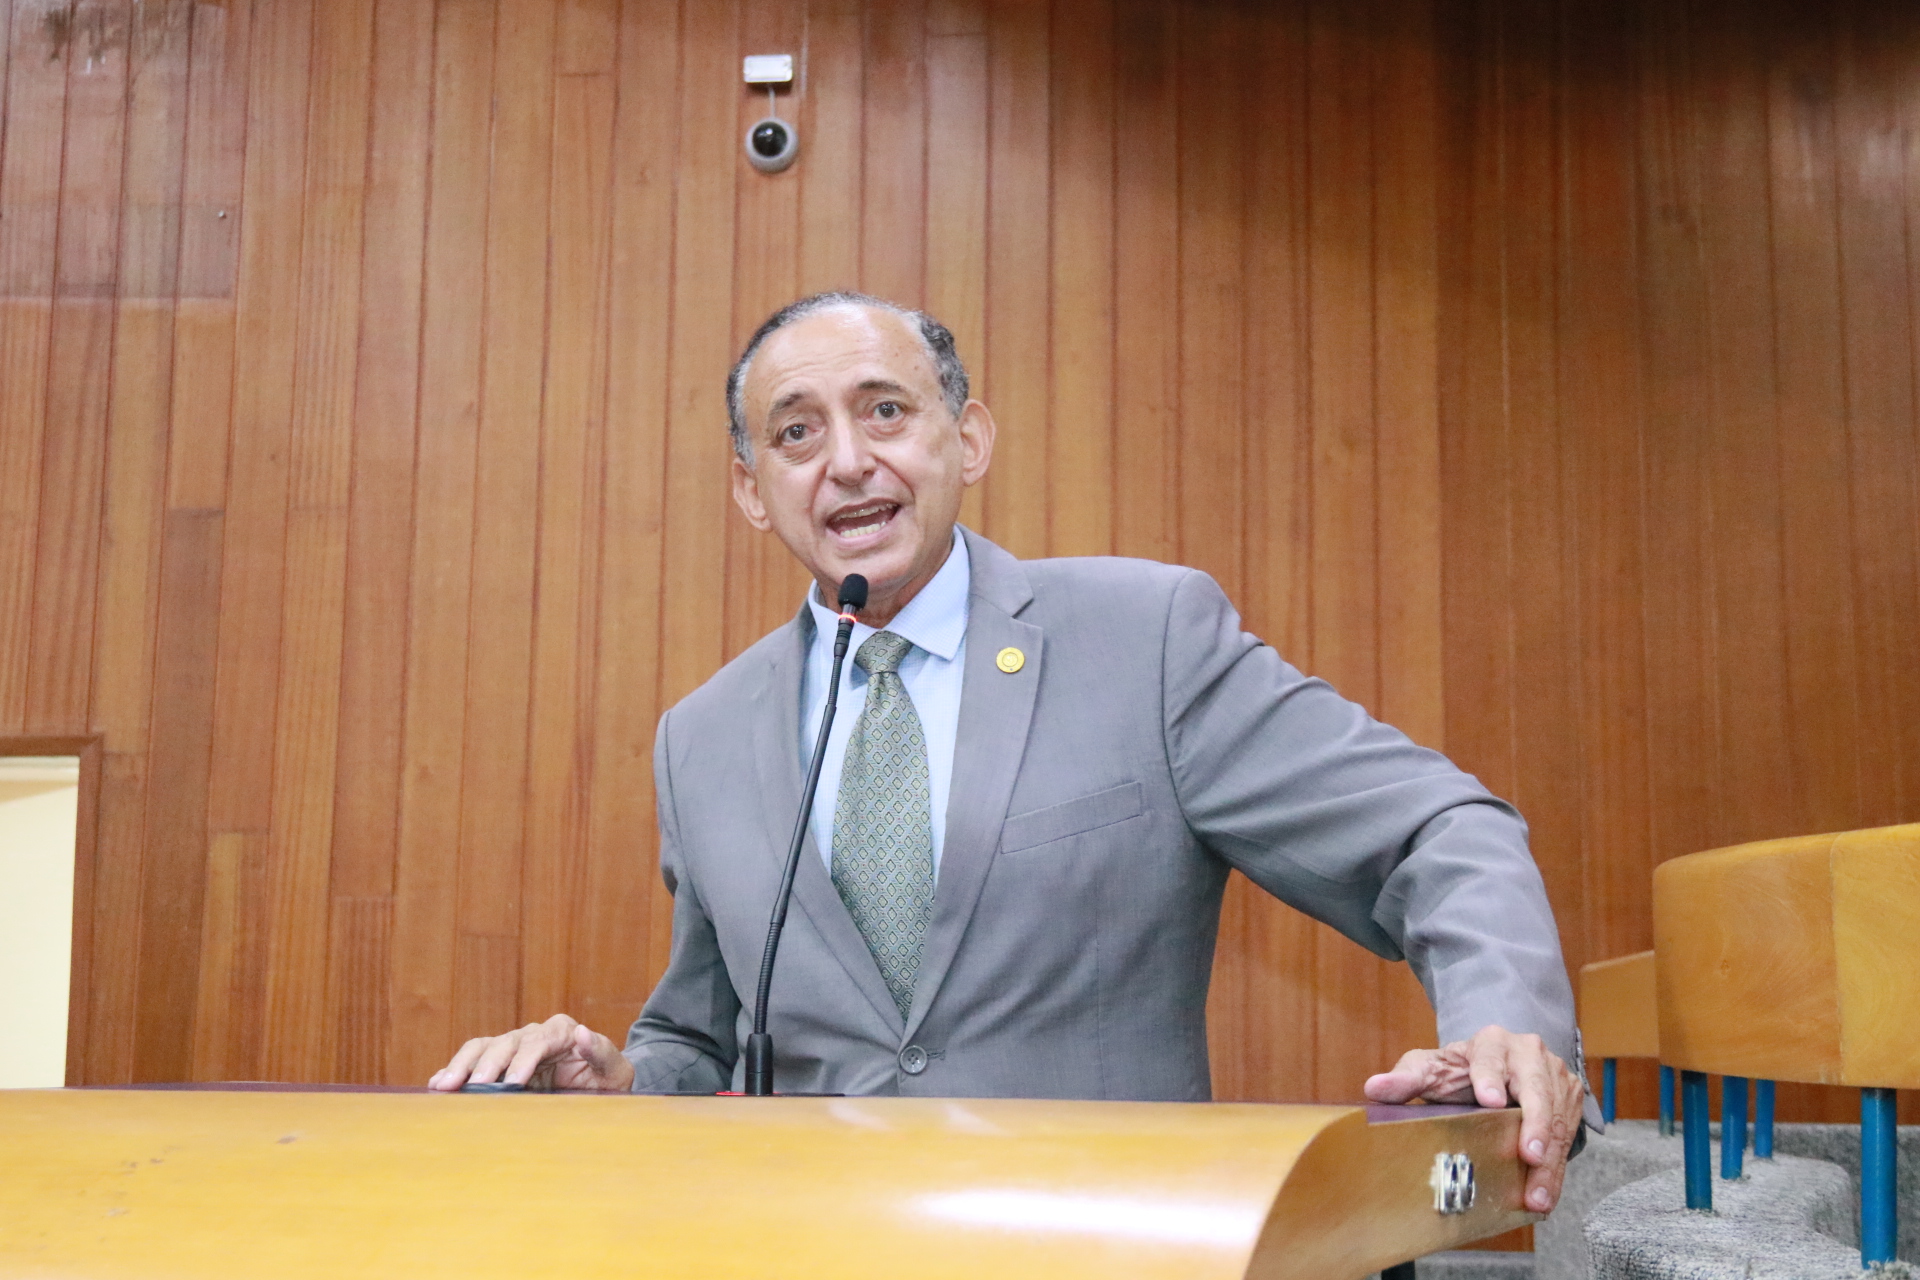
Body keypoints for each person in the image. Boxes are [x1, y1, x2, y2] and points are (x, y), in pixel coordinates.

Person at [431, 292, 1592, 1213]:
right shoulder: (702, 736)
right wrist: (619, 1081)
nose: (847, 460)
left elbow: (1434, 829)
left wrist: (1506, 1022)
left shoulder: (1146, 639)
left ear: (968, 437)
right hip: (818, 1242)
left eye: (886, 410)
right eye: (796, 432)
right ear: (752, 490)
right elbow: (701, 1031)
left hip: (1111, 1244)